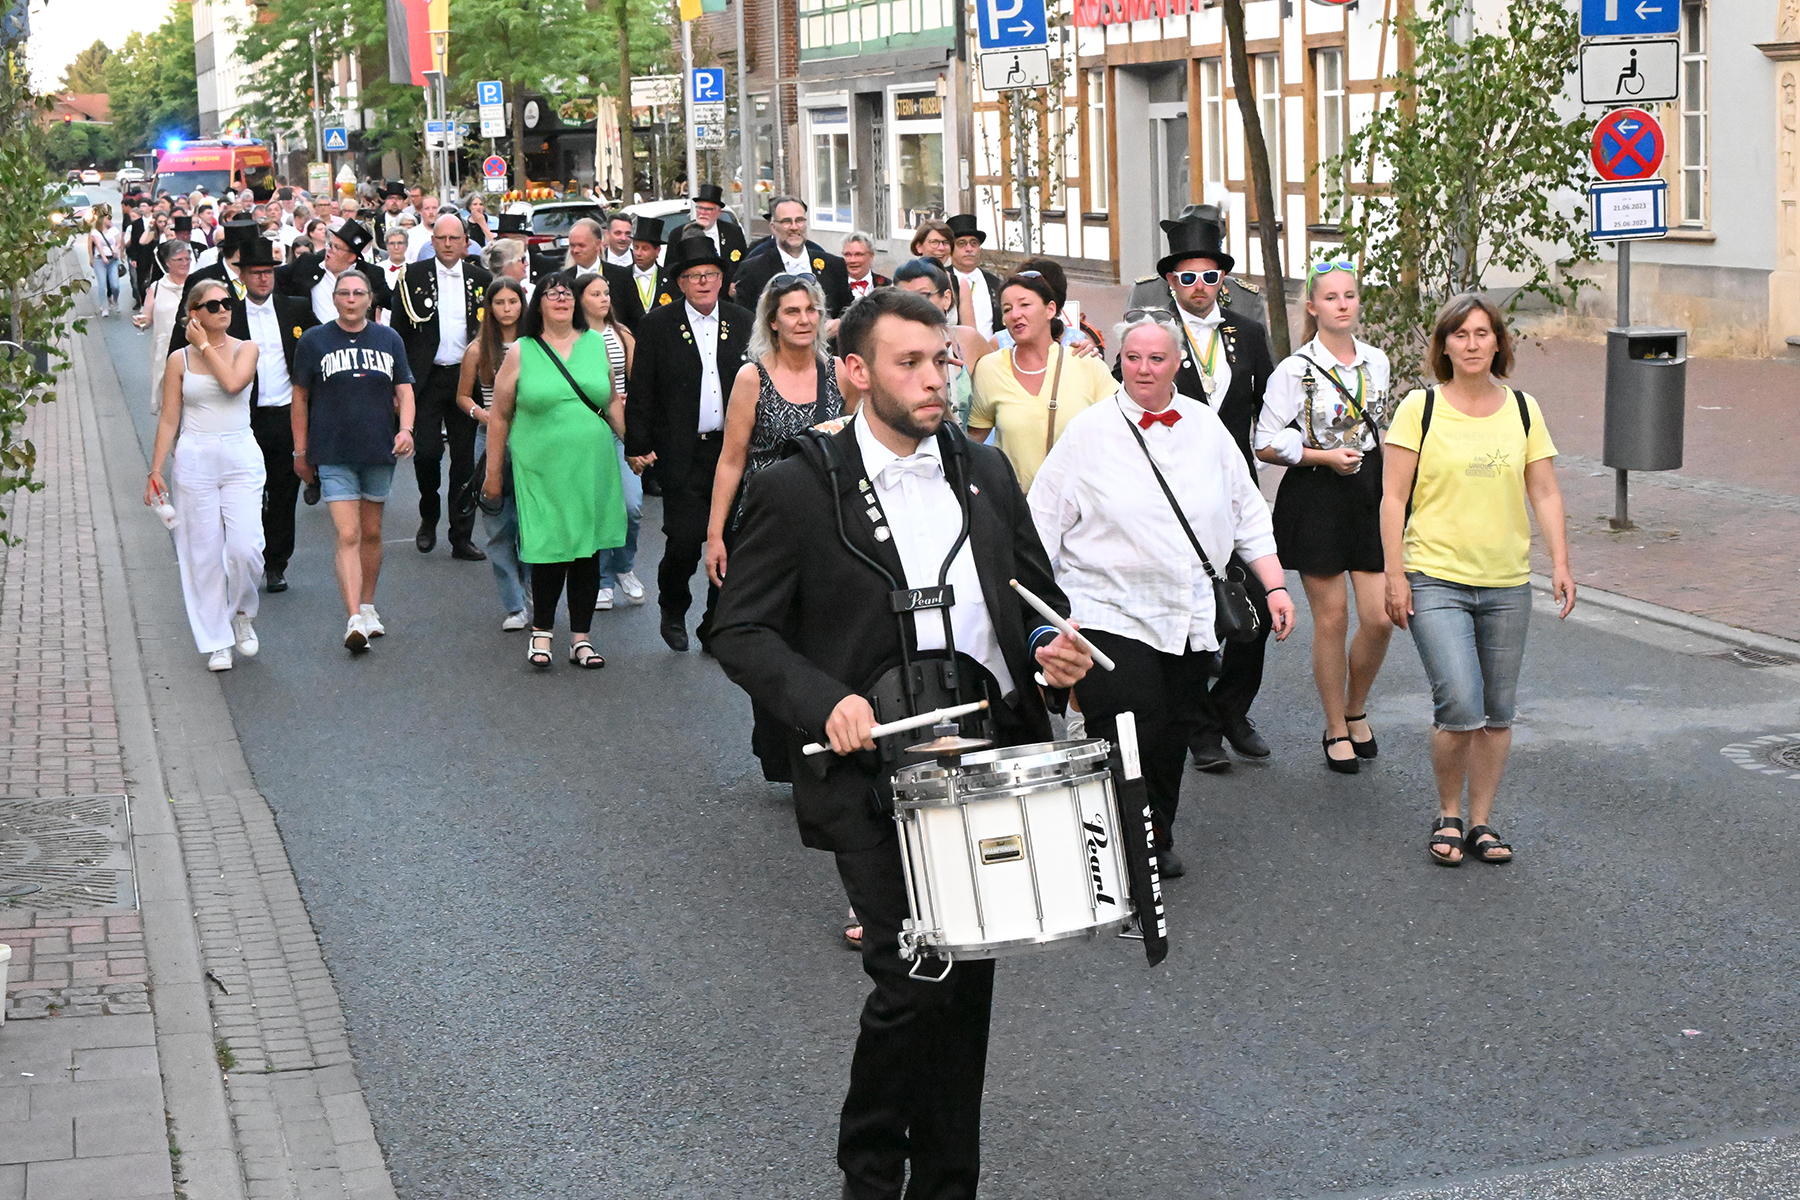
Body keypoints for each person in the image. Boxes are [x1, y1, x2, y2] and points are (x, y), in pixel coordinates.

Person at [709, 287, 1093, 1200]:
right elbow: (740, 629)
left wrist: (1051, 645)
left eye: (941, 361)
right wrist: (824, 701)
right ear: (855, 372)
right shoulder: (797, 488)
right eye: (909, 364)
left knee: (968, 981)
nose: (934, 381)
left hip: (986, 756)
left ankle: (950, 1183)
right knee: (914, 974)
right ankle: (872, 1175)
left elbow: (1030, 599)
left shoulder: (985, 472)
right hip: (872, 768)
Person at [1031, 316, 1295, 878]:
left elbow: (1247, 512)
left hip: (1190, 612)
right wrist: (1044, 624)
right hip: (1107, 608)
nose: (1144, 369)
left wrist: (1274, 585)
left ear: (1177, 364)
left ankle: (1156, 835)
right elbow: (1041, 525)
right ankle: (1120, 844)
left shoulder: (1205, 425)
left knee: (1173, 728)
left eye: (1156, 359)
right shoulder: (1088, 432)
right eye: (1133, 358)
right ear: (1118, 362)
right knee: (1131, 723)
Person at [1381, 294, 1575, 867]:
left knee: (1497, 712)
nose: (1471, 344)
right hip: (1434, 576)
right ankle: (1449, 811)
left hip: (1506, 581)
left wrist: (1561, 563)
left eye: (1481, 333)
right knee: (1460, 703)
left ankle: (1482, 821)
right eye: (1460, 334)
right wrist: (1394, 574)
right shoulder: (1420, 408)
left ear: (1498, 343)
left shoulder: (1523, 410)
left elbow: (1545, 490)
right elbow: (1392, 497)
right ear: (1444, 345)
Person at [1134, 209, 1278, 772]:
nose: (1200, 286)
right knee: (1190, 614)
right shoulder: (1153, 339)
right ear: (1172, 282)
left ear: (1223, 279)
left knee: (1255, 609)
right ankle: (1199, 729)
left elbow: (1271, 409)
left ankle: (1232, 710)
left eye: (1210, 276)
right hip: (1172, 496)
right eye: (1188, 277)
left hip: (1235, 493)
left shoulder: (1249, 333)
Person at [705, 275, 854, 781]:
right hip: (765, 527)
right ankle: (781, 748)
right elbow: (732, 460)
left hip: (830, 524)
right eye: (792, 311)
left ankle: (828, 741)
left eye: (811, 309)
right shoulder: (753, 377)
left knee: (827, 638)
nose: (803, 320)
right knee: (773, 638)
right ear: (773, 320)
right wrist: (715, 536)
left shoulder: (837, 372)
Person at [1254, 260, 1395, 773]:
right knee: (1332, 618)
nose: (1342, 305)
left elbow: (1381, 429)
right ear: (1313, 307)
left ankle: (1356, 707)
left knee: (1380, 617)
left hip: (1368, 490)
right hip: (1316, 493)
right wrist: (1322, 456)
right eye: (1331, 297)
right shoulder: (1295, 369)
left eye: (1349, 295)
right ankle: (1336, 725)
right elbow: (1263, 443)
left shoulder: (1377, 361)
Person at [480, 271, 628, 670]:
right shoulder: (521, 351)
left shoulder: (596, 343)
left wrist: (634, 447)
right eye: (552, 293)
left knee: (587, 551)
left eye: (567, 293)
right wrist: (493, 475)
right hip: (540, 469)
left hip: (592, 466)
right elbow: (499, 416)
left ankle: (581, 639)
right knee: (549, 547)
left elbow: (612, 401)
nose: (561, 299)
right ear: (539, 304)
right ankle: (541, 632)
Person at [624, 232, 753, 652]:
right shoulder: (657, 325)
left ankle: (715, 623)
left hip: (732, 449)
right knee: (684, 540)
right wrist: (637, 445)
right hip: (682, 451)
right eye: (694, 276)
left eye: (710, 274)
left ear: (721, 279)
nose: (703, 282)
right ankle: (673, 607)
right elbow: (642, 390)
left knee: (731, 538)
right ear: (680, 282)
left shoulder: (742, 321)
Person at [289, 270, 417, 652]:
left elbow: (404, 389)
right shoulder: (314, 341)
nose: (350, 299)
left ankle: (368, 604)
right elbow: (299, 397)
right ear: (334, 298)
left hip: (378, 448)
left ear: (370, 299)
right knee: (348, 534)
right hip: (332, 450)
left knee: (372, 532)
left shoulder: (388, 338)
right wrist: (300, 451)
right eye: (343, 293)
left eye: (358, 293)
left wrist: (406, 429)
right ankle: (353, 619)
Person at [144, 280, 265, 672]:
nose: (223, 309)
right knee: (203, 555)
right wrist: (155, 470)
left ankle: (242, 613)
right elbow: (169, 417)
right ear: (194, 313)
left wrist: (205, 346)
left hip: (240, 453)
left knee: (245, 548)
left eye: (227, 302)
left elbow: (232, 384)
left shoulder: (246, 348)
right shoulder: (178, 360)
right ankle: (217, 641)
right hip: (195, 456)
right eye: (212, 305)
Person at [387, 213, 494, 560]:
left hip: (467, 381)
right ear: (432, 241)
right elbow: (398, 334)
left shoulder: (482, 279)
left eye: (454, 238)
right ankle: (429, 514)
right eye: (442, 238)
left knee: (465, 460)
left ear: (466, 242)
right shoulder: (411, 277)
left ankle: (461, 535)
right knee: (428, 453)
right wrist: (397, 385)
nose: (448, 244)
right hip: (426, 378)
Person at [227, 238, 319, 594]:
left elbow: (316, 348)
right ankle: (248, 557)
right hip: (245, 418)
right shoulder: (229, 314)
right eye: (256, 273)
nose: (263, 279)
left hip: (286, 415)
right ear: (243, 276)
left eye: (268, 272)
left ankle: (277, 563)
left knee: (283, 493)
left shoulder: (295, 308)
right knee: (247, 494)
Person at [967, 272, 1115, 492]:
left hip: (1079, 502)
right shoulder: (989, 368)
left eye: (1024, 305)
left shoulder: (1084, 361)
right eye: (1007, 309)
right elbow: (973, 442)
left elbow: (1120, 429)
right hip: (1017, 504)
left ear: (1050, 310)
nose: (1015, 314)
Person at [455, 277, 531, 630]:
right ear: (489, 308)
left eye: (512, 302)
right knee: (498, 524)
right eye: (499, 303)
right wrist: (481, 413)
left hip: (532, 438)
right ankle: (514, 604)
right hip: (491, 440)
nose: (506, 309)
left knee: (531, 522)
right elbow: (463, 395)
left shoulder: (535, 344)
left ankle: (530, 586)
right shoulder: (477, 349)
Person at [575, 272, 645, 611]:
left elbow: (639, 380)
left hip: (620, 429)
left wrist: (633, 402)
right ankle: (602, 580)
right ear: (580, 300)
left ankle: (624, 565)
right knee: (597, 507)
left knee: (631, 505)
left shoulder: (621, 333)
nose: (604, 299)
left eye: (606, 293)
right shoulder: (572, 338)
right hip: (586, 431)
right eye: (595, 294)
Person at [892, 257, 989, 429]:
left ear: (946, 298)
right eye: (903, 299)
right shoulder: (889, 347)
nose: (911, 306)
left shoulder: (967, 340)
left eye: (922, 296)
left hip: (959, 441)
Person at [732, 196, 852, 321]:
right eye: (786, 221)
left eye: (799, 220)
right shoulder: (753, 270)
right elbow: (743, 319)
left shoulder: (834, 265)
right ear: (773, 227)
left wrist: (839, 323)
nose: (794, 227)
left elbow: (848, 309)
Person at [278, 218, 374, 325]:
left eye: (337, 247)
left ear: (351, 257)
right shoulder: (308, 263)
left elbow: (387, 301)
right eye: (330, 244)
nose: (329, 250)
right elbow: (275, 278)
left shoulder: (371, 273)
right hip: (312, 332)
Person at [136, 240, 192, 409]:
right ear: (168, 262)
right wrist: (142, 322)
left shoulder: (196, 285)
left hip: (192, 349)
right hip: (165, 350)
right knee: (170, 398)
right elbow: (147, 317)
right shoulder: (157, 287)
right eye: (179, 259)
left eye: (187, 259)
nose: (185, 263)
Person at [603, 216, 671, 332]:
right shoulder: (621, 277)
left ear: (657, 251)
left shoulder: (669, 278)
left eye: (645, 249)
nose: (638, 253)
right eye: (636, 247)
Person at [945, 214, 999, 338]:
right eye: (962, 243)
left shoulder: (994, 283)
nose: (969, 249)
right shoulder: (942, 280)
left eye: (974, 243)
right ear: (951, 249)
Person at [689, 183, 749, 285]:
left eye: (708, 209)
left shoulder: (733, 232)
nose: (703, 212)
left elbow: (744, 265)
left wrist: (735, 283)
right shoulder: (680, 234)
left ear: (718, 212)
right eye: (700, 208)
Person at [88, 205, 125, 317]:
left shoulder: (113, 230)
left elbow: (119, 242)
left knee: (115, 285)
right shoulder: (95, 232)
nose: (110, 221)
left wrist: (116, 249)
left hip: (112, 259)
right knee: (102, 284)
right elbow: (98, 245)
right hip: (100, 259)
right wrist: (102, 257)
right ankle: (104, 307)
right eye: (108, 219)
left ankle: (115, 300)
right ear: (103, 220)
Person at [840, 232, 889, 302]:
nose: (852, 260)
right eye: (847, 255)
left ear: (871, 256)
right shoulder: (834, 286)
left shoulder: (886, 285)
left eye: (859, 254)